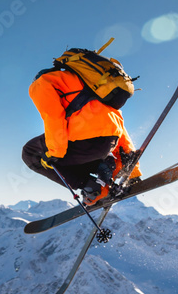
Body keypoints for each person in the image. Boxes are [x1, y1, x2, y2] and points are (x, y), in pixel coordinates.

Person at [22, 48, 142, 206]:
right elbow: (116, 124)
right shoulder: (91, 84)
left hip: (87, 143)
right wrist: (131, 168)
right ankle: (105, 167)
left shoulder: (42, 83)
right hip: (107, 144)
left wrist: (53, 153)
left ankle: (93, 187)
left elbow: (53, 117)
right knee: (65, 150)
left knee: (31, 153)